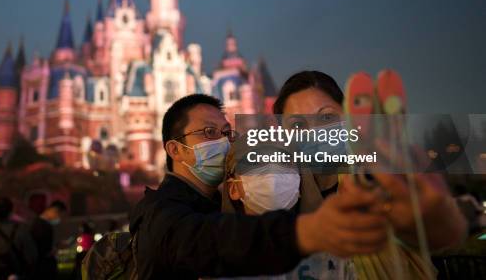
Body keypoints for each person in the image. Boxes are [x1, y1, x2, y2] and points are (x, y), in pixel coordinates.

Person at [129, 93, 392, 280]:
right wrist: (308, 231)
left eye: (227, 133)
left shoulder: (210, 207)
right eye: (209, 132)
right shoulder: (161, 214)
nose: (223, 142)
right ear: (175, 149)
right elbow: (213, 241)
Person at [268, 70, 468, 278]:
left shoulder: (375, 174)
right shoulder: (282, 195)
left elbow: (435, 227)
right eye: (298, 125)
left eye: (327, 117)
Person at [30, 200, 68, 279]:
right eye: (60, 215)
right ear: (55, 210)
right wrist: (57, 248)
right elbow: (44, 251)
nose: (59, 219)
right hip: (44, 269)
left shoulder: (36, 223)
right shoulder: (43, 226)